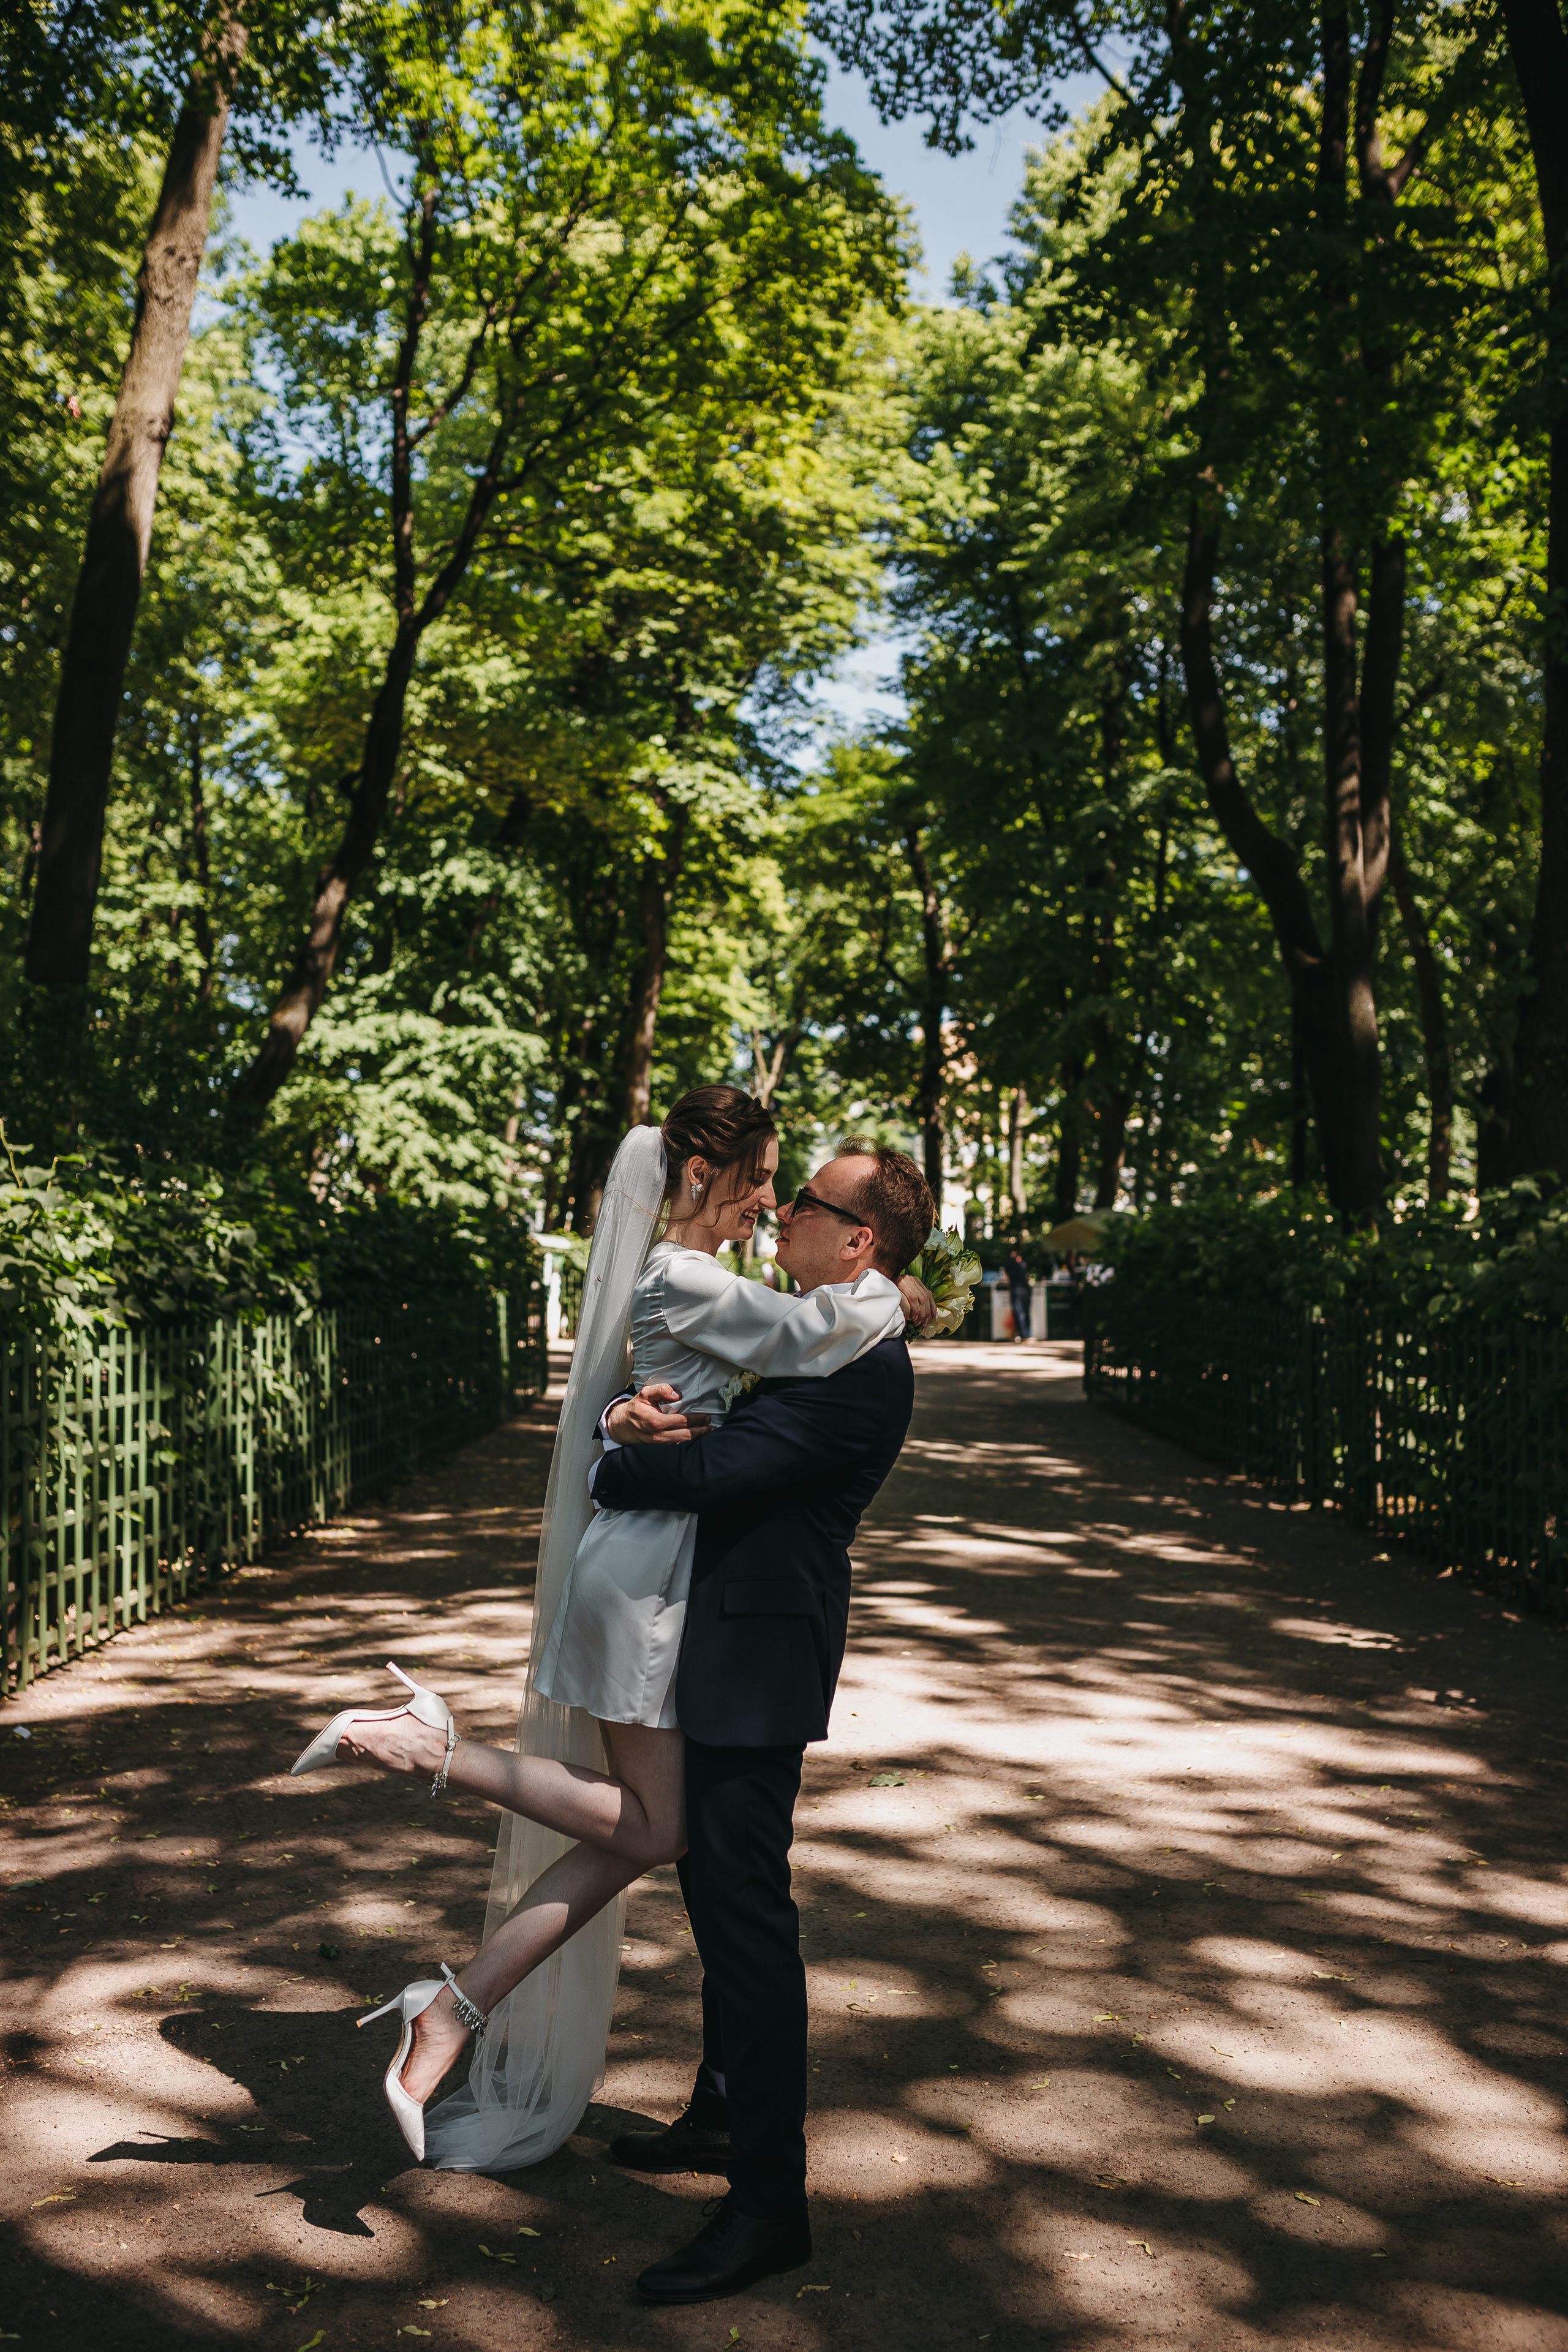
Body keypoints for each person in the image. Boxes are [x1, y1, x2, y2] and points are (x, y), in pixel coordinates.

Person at [287, 1088, 933, 2176]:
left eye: (795, 1191)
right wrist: (896, 1295)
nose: (775, 1204)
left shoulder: (694, 1277)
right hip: (644, 1573)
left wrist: (613, 1423)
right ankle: (435, 1762)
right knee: (654, 1833)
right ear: (698, 1178)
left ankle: (451, 2001)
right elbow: (803, 1335)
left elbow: (709, 1380)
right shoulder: (695, 1277)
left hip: (655, 1575)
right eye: (766, 1178)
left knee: (648, 1830)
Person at [589, 1139, 933, 2305]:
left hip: (757, 1659)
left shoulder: (865, 1372)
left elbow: (706, 1475)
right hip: (721, 1642)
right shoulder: (824, 1326)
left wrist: (603, 1459)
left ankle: (769, 2205)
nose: (783, 1212)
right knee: (718, 1900)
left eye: (810, 1203)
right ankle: (723, 2113)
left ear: (859, 1243)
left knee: (746, 1914)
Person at [1003, 1243, 1032, 1343]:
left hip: (1015, 1290)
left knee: (1018, 1313)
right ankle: (1028, 1335)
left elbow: (1006, 1278)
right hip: (1025, 1290)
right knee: (1026, 1312)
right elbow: (1027, 1276)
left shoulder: (1009, 1265)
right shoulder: (1024, 1264)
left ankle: (1022, 1335)